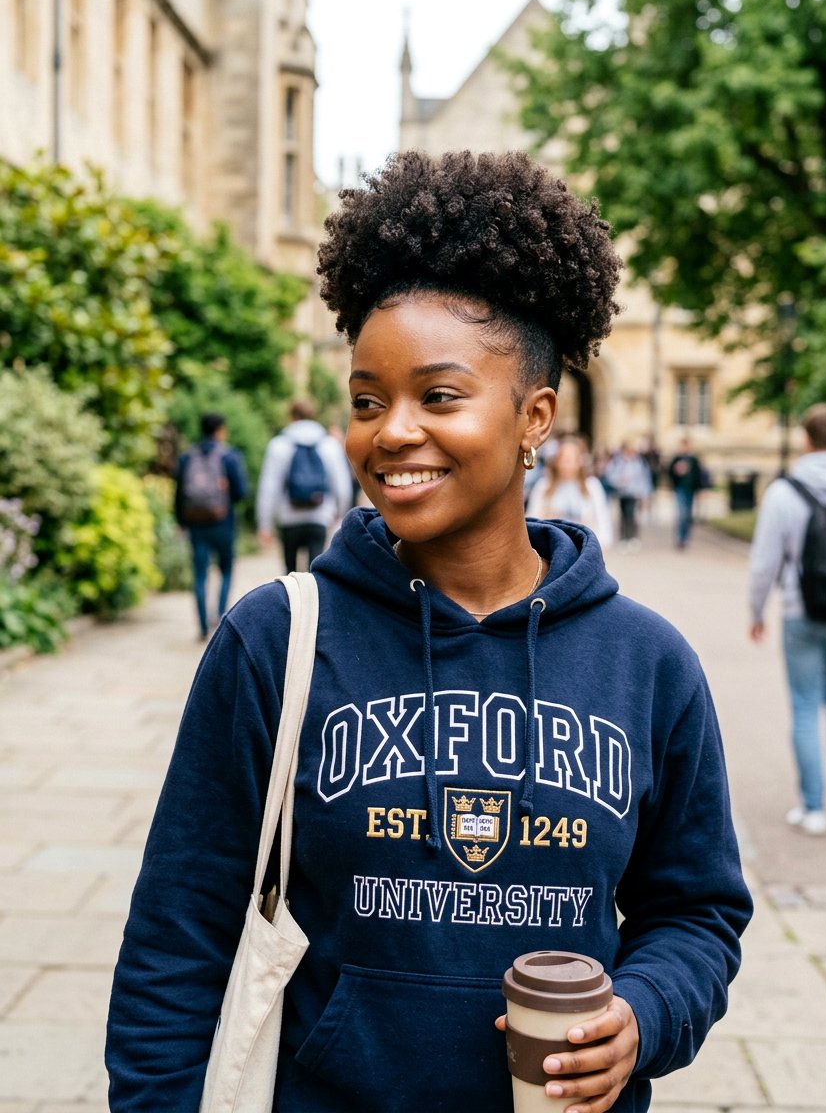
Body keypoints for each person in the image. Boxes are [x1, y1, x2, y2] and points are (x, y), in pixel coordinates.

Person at [107, 151, 752, 1112]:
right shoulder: (277, 640)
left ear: (535, 417)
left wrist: (643, 1015)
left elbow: (696, 911)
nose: (391, 432)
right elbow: (178, 933)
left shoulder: (648, 663)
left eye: (438, 396)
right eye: (368, 401)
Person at [749, 402, 826, 835]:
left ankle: (813, 809)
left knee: (806, 705)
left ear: (806, 440)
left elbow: (764, 562)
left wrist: (756, 611)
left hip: (800, 610)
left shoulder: (784, 492)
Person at [256, 396, 353, 570]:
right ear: (314, 415)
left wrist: (265, 525)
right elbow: (342, 485)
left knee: (289, 574)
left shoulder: (279, 445)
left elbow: (269, 487)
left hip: (289, 518)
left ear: (292, 416)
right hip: (320, 516)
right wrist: (340, 514)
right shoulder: (328, 444)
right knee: (315, 571)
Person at [174, 412, 248, 641]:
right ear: (220, 430)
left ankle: (203, 626)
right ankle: (221, 620)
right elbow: (241, 492)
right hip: (223, 523)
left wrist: (180, 521)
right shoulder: (229, 456)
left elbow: (179, 494)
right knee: (226, 570)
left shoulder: (187, 457)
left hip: (196, 524)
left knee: (199, 574)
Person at [527, 434, 614, 548]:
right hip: (551, 548)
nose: (567, 463)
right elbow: (531, 519)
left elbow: (603, 522)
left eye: (571, 459)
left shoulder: (592, 486)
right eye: (563, 458)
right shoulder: (544, 486)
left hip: (584, 548)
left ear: (580, 461)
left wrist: (597, 545)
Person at [604, 442, 653, 549]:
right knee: (623, 516)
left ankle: (632, 537)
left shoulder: (639, 462)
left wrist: (644, 494)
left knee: (631, 515)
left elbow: (643, 478)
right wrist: (619, 481)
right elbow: (609, 475)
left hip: (634, 493)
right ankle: (624, 537)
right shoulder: (617, 462)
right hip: (622, 493)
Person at [668, 437, 704, 549]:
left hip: (691, 489)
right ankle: (680, 537)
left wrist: (700, 490)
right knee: (681, 514)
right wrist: (676, 470)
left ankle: (686, 537)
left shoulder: (694, 459)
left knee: (688, 514)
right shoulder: (677, 458)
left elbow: (698, 475)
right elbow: (669, 473)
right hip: (680, 488)